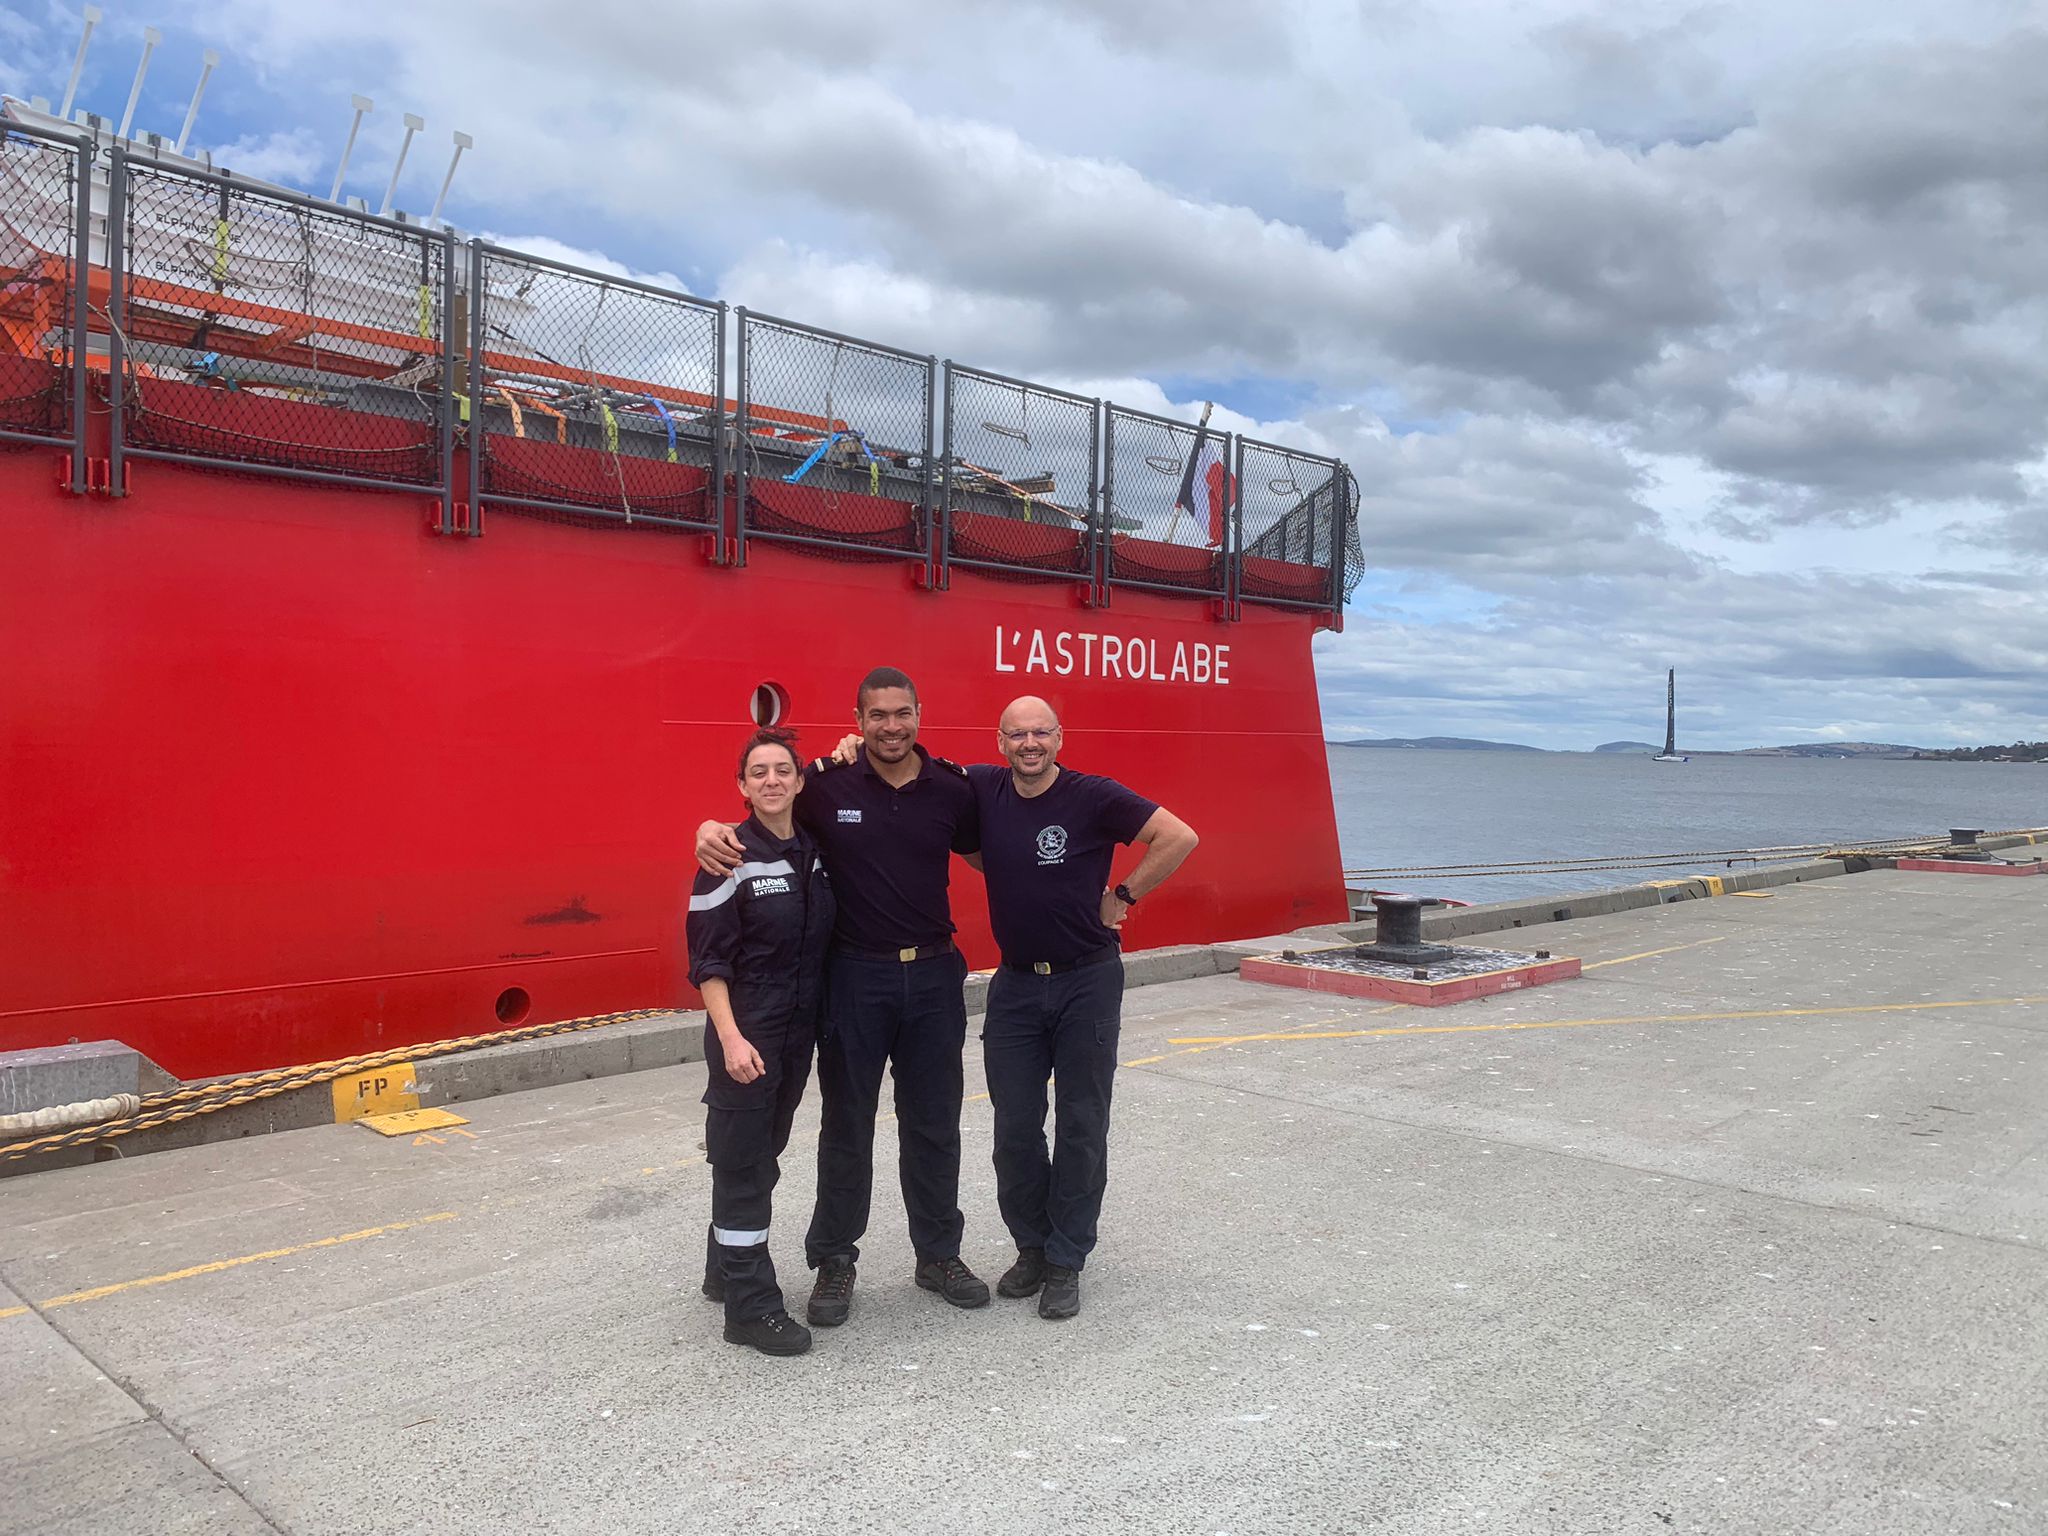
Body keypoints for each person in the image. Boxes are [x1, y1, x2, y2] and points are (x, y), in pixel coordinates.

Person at [696, 667, 990, 1331]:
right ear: (858, 719)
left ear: (920, 713)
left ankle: (938, 1254)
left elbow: (991, 855)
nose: (891, 726)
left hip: (935, 973)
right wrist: (707, 828)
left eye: (902, 713)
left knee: (935, 1123)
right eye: (878, 715)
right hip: (855, 978)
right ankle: (834, 1259)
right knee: (847, 1127)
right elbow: (759, 813)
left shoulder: (951, 788)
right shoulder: (824, 785)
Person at [968, 695, 1198, 1319]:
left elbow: (1178, 836)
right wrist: (846, 751)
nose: (1030, 743)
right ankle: (1032, 1248)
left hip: (1086, 981)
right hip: (1014, 987)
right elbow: (911, 772)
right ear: (1000, 741)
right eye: (1017, 734)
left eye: (1041, 732)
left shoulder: (1094, 796)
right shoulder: (984, 790)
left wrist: (1122, 894)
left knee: (1080, 1125)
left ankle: (1067, 1259)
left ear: (1060, 738)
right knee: (1014, 1129)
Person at [686, 728, 835, 1356]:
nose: (771, 781)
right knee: (743, 1163)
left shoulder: (816, 851)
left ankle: (724, 1269)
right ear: (742, 788)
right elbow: (708, 962)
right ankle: (751, 1308)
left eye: (782, 770)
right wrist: (730, 1038)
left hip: (797, 1031)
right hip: (747, 1028)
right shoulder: (727, 857)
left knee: (762, 1152)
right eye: (758, 772)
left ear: (801, 782)